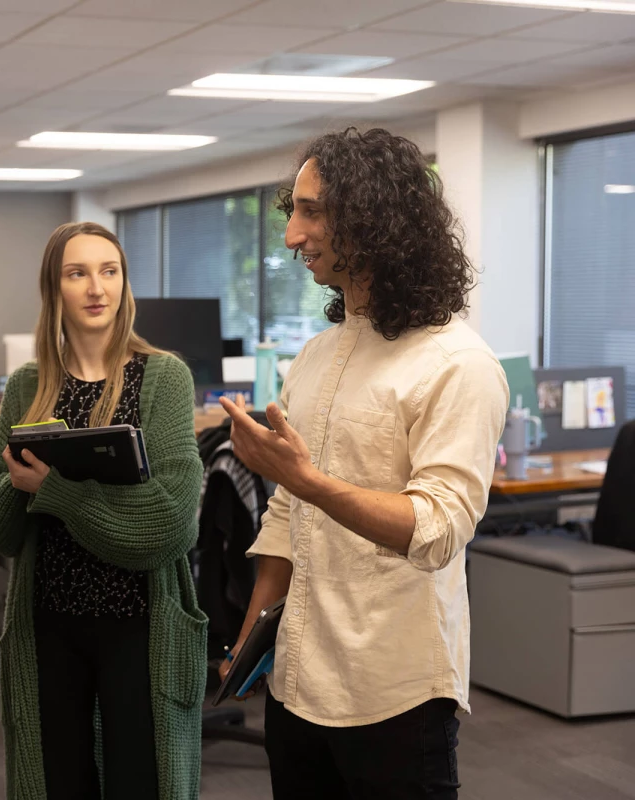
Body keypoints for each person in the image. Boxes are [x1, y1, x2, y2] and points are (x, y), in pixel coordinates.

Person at [220, 128, 509, 800]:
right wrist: (248, 640)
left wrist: (306, 479)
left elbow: (438, 529)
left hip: (393, 692)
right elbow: (288, 517)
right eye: (292, 211)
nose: (292, 235)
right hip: (295, 680)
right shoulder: (317, 357)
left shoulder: (458, 365)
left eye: (312, 211)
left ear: (377, 218)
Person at [0, 222, 206, 800]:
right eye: (78, 273)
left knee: (140, 782)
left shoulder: (163, 377)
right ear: (56, 289)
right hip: (49, 621)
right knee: (57, 782)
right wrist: (21, 486)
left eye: (109, 271)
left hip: (139, 625)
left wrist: (56, 492)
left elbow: (171, 523)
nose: (96, 287)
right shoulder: (29, 386)